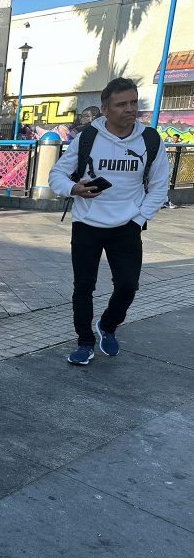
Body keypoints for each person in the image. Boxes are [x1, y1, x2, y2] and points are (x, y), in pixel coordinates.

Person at [49, 77, 169, 366]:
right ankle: (84, 342)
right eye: (121, 104)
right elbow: (56, 175)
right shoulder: (88, 137)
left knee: (128, 286)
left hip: (127, 226)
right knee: (83, 287)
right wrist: (75, 188)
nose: (130, 109)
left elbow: (160, 186)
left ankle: (108, 326)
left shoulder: (150, 140)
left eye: (133, 102)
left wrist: (138, 219)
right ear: (105, 109)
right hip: (87, 224)